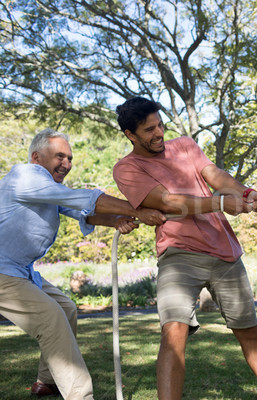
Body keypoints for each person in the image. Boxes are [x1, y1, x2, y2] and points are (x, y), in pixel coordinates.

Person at [112, 96, 257, 400]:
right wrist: (222, 202)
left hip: (224, 250)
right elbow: (168, 202)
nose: (159, 134)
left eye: (160, 125)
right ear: (130, 134)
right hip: (179, 254)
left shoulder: (183, 145)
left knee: (248, 331)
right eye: (148, 130)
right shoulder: (127, 168)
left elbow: (215, 175)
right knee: (174, 333)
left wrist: (248, 194)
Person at [0, 129, 166, 399]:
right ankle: (81, 395)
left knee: (65, 308)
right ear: (36, 157)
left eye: (70, 158)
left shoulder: (47, 188)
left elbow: (82, 211)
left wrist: (114, 220)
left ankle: (46, 382)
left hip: (20, 271)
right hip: (2, 271)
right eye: (59, 156)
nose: (66, 164)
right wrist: (136, 209)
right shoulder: (25, 177)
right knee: (51, 317)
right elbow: (84, 199)